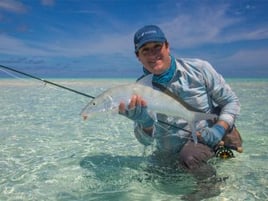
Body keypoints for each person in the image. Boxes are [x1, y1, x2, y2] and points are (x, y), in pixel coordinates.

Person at [118, 25, 240, 179]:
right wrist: (145, 123)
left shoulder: (199, 69)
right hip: (167, 153)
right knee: (145, 178)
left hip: (203, 142)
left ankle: (211, 187)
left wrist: (219, 129)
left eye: (157, 47)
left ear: (167, 47)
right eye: (145, 50)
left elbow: (231, 101)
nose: (152, 54)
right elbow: (145, 142)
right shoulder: (138, 89)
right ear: (138, 56)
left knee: (189, 156)